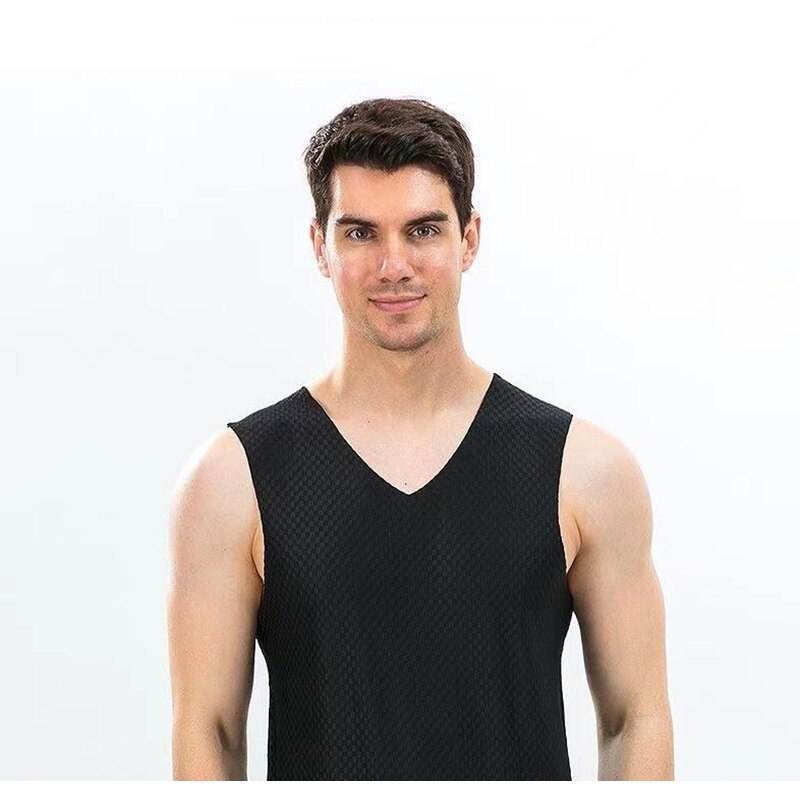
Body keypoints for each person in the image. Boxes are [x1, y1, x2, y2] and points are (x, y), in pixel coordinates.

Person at [167, 97, 673, 780]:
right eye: (360, 234)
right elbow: (209, 729)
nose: (394, 265)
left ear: (469, 239)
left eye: (423, 230)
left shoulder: (585, 471)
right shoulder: (235, 478)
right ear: (320, 247)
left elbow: (635, 716)